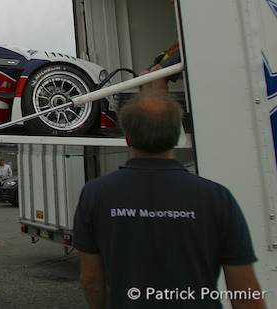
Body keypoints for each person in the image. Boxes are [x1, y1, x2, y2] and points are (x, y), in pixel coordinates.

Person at [73, 91, 265, 309]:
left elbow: (90, 279)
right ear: (177, 135)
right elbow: (245, 290)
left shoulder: (96, 194)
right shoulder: (216, 197)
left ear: (127, 138)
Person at [140, 0, 181, 91]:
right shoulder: (178, 8)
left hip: (190, 51)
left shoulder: (187, 8)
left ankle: (162, 109)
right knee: (144, 75)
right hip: (180, 50)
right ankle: (149, 108)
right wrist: (167, 53)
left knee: (157, 73)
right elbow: (180, 41)